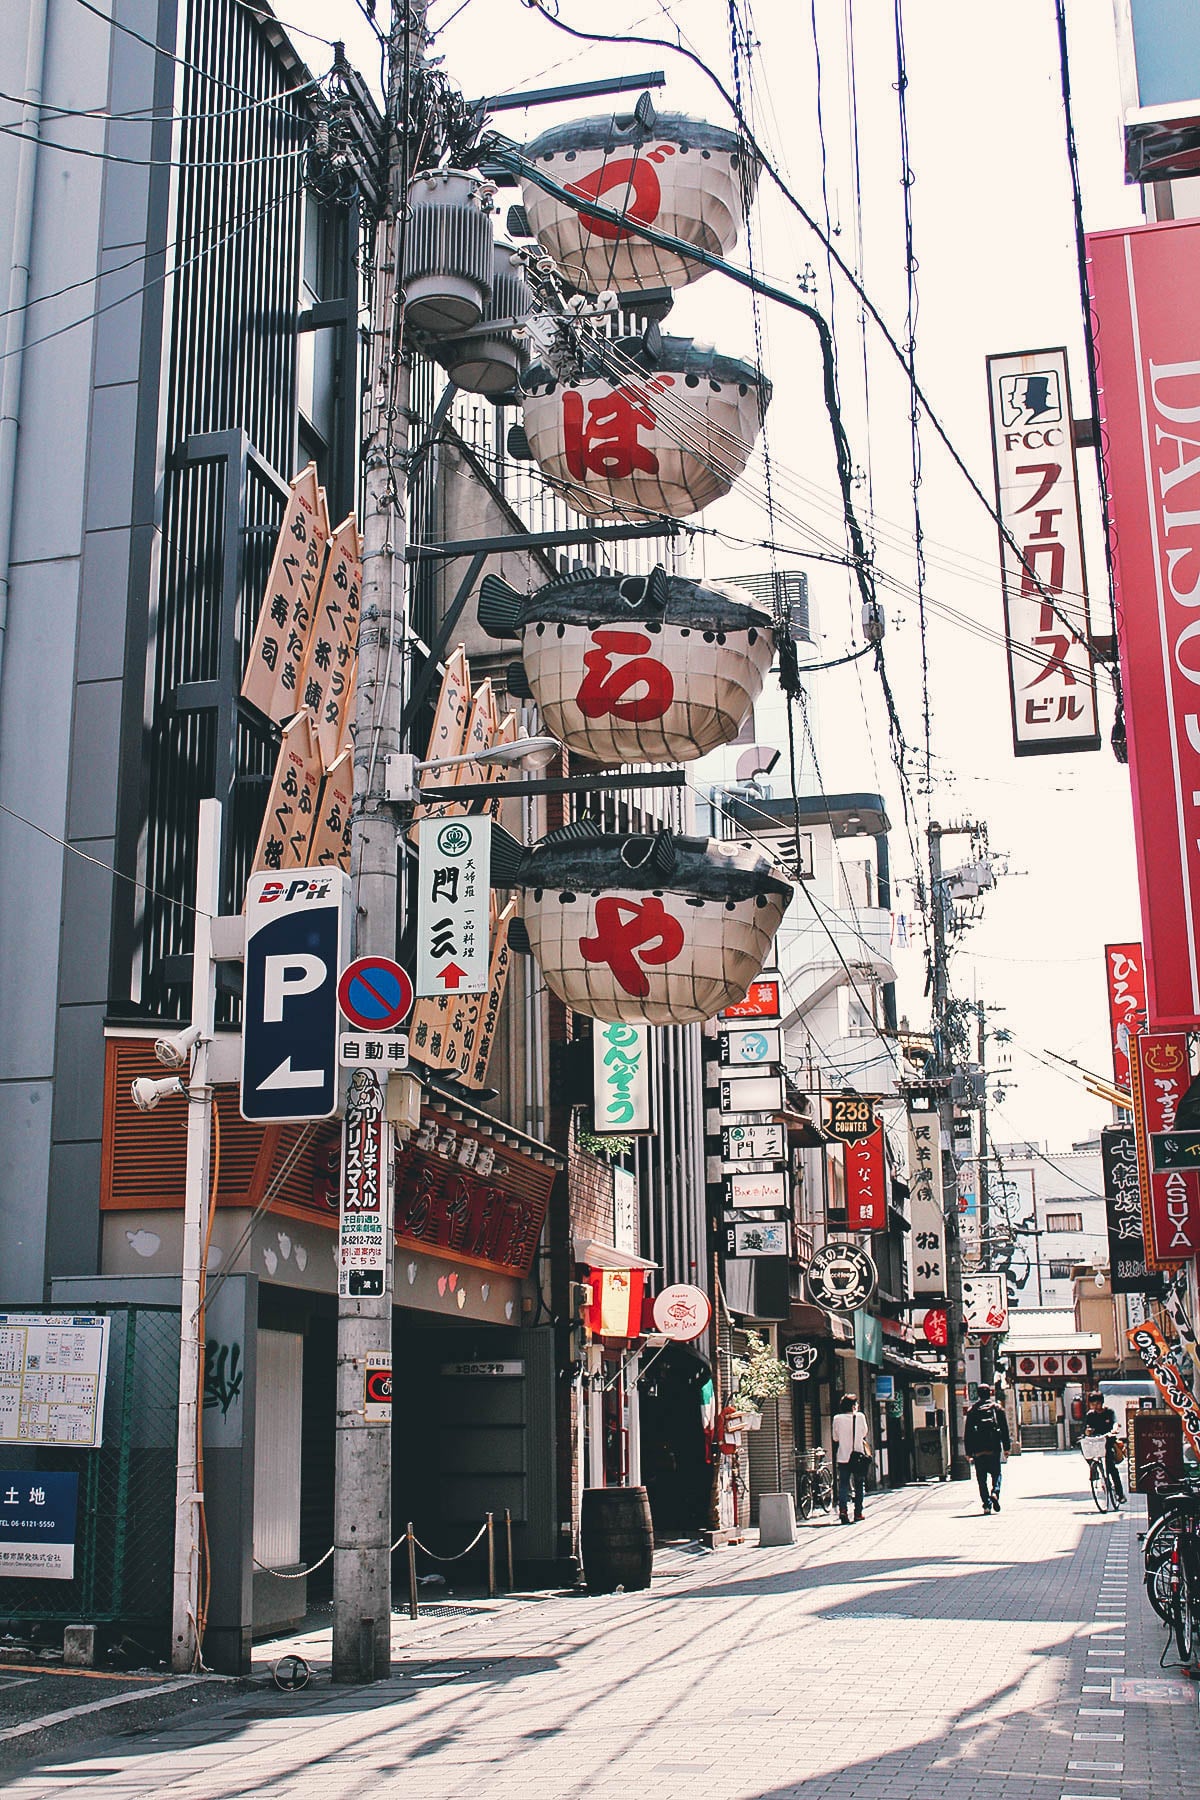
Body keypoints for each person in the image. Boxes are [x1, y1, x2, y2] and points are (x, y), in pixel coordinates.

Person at [963, 1383, 1011, 1513]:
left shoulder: (972, 1410)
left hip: (978, 1450)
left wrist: (968, 1452)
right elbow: (1004, 1429)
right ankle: (995, 1492)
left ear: (978, 1394)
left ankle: (986, 1505)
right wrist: (1007, 1447)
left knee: (981, 1479)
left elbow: (968, 1433)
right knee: (997, 1474)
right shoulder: (997, 1408)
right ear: (990, 1393)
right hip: (993, 1448)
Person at [832, 1393, 870, 1524]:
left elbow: (835, 1438)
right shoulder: (860, 1417)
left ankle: (843, 1511)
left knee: (843, 1485)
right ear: (854, 1406)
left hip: (843, 1456)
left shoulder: (837, 1419)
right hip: (858, 1456)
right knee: (859, 1485)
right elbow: (865, 1433)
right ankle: (858, 1513)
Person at [1083, 1391, 1125, 1504]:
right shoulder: (1090, 1415)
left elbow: (1115, 1423)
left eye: (1096, 1403)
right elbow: (1087, 1428)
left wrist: (1114, 1430)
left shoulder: (1109, 1412)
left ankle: (1120, 1494)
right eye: (1092, 1404)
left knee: (1111, 1468)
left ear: (1101, 1402)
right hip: (1095, 1442)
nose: (1094, 1406)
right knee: (1086, 1451)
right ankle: (1094, 1469)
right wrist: (1087, 1431)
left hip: (1108, 1442)